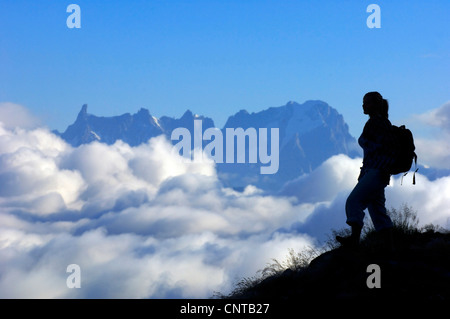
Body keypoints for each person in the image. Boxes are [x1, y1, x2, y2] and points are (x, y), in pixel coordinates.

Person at [336, 91, 394, 249]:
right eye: (363, 102)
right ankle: (390, 247)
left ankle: (354, 241)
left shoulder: (378, 123)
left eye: (367, 102)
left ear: (375, 105)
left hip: (376, 171)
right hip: (374, 172)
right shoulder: (377, 122)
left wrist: (380, 169)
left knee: (354, 201)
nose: (363, 105)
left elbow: (386, 148)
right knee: (377, 210)